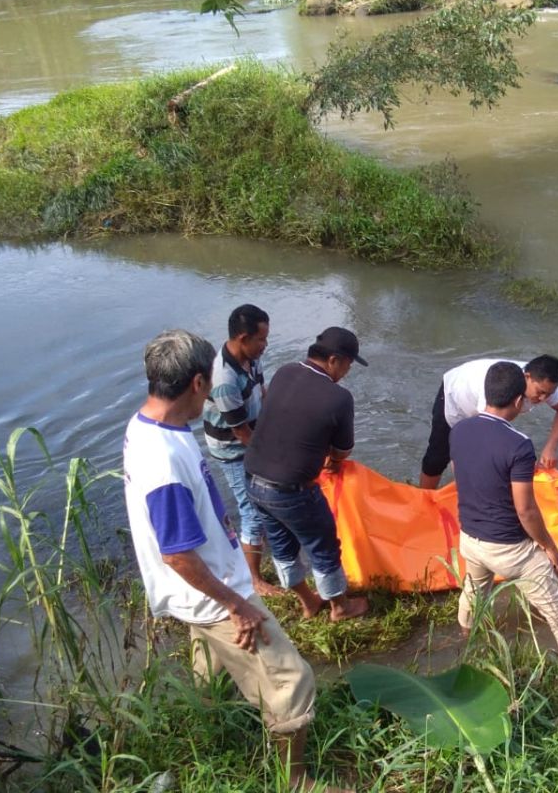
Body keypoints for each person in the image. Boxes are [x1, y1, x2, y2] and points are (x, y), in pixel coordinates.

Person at [123, 329, 346, 793]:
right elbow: (178, 554)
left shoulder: (146, 425)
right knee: (292, 679)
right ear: (199, 384)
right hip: (212, 594)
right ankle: (295, 782)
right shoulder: (163, 459)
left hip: (195, 594)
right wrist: (237, 603)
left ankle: (203, 740)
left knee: (211, 673)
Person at [451, 361, 558, 668]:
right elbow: (525, 509)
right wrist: (549, 545)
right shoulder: (518, 444)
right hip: (510, 549)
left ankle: (467, 649)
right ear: (518, 401)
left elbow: (461, 475)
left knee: (474, 591)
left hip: (470, 536)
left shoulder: (459, 430)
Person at [245, 327, 370, 622]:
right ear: (333, 360)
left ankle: (308, 602)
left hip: (252, 477)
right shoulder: (339, 397)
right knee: (322, 544)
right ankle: (340, 607)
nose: (347, 371)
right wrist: (331, 461)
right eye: (348, 364)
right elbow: (342, 450)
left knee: (281, 545)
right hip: (291, 488)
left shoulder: (285, 372)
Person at [201, 304, 280, 596]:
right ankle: (255, 580)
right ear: (243, 338)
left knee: (266, 497)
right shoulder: (224, 379)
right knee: (251, 511)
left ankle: (259, 545)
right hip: (233, 449)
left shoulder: (250, 359)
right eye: (261, 339)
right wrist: (272, 455)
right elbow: (241, 432)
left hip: (252, 434)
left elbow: (263, 392)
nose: (265, 345)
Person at [419, 355, 558, 489]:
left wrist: (550, 448)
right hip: (455, 397)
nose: (543, 399)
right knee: (437, 458)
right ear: (527, 377)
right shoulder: (498, 388)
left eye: (549, 394)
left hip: (486, 410)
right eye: (540, 392)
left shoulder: (543, 383)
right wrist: (517, 463)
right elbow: (488, 430)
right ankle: (425, 498)